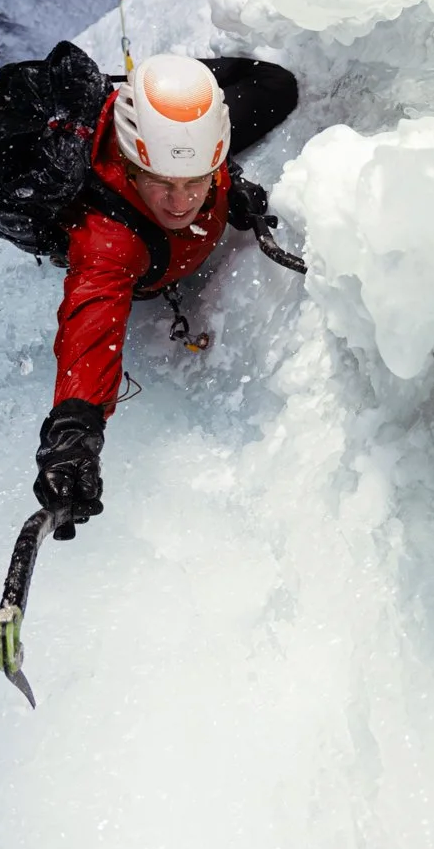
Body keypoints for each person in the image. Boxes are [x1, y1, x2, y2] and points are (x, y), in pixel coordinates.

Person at [31, 51, 297, 535]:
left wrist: (183, 95)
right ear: (131, 167)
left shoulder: (197, 148)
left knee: (276, 88)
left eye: (196, 182)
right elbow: (91, 320)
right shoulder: (109, 238)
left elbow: (269, 85)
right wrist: (74, 431)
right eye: (160, 184)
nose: (180, 203)